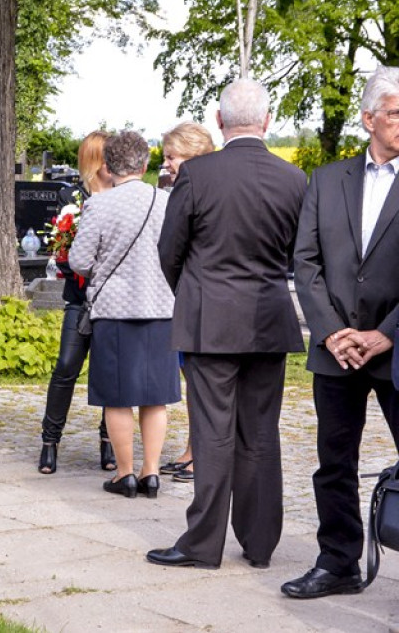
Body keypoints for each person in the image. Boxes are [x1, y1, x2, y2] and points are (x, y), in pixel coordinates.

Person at [147, 79, 306, 570]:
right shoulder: (294, 179)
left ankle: (203, 544)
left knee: (213, 432)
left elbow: (169, 251)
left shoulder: (197, 176)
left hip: (209, 320)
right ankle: (260, 544)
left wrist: (195, 293)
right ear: (267, 120)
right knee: (260, 432)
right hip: (269, 319)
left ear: (219, 120)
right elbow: (301, 255)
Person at [281, 66, 399, 597]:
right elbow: (304, 262)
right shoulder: (327, 179)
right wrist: (331, 332)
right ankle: (338, 562)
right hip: (337, 352)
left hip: (396, 348)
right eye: (396, 113)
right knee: (334, 463)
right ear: (368, 118)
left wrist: (386, 333)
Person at [68, 130, 178, 499]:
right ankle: (152, 472)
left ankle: (125, 474)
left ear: (109, 167)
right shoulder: (166, 202)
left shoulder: (100, 205)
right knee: (155, 397)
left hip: (113, 310)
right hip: (161, 308)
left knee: (117, 397)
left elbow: (80, 260)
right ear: (146, 164)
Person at [38, 131, 114, 475]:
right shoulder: (73, 198)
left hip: (113, 300)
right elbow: (60, 255)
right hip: (79, 299)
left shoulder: (123, 197)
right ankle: (49, 441)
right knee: (67, 365)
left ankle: (109, 442)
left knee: (110, 373)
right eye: (104, 156)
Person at [156, 121, 215, 484]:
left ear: (192, 155)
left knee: (201, 384)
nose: (166, 165)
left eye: (171, 157)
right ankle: (194, 449)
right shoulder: (178, 186)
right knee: (192, 380)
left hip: (201, 301)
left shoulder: (200, 188)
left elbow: (174, 251)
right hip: (183, 300)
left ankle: (201, 453)